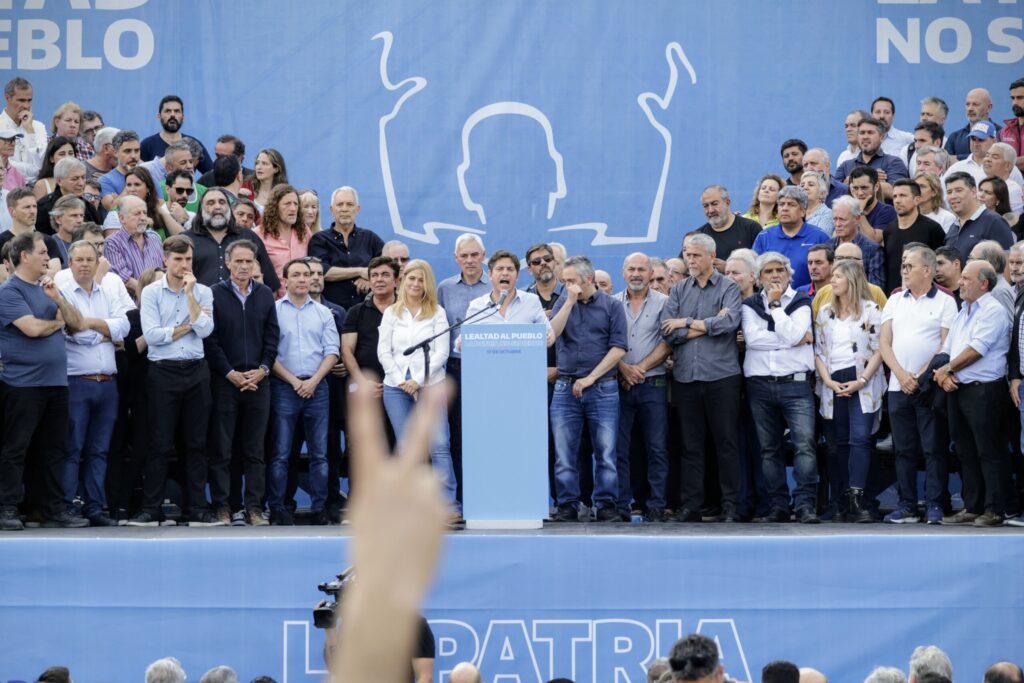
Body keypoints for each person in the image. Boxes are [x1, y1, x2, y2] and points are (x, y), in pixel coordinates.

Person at [129, 235, 219, 527]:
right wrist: (187, 325)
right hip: (162, 371)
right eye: (178, 259)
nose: (183, 265)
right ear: (165, 259)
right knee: (159, 442)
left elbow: (205, 331)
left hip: (196, 370)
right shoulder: (153, 292)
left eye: (188, 260)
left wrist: (190, 296)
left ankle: (197, 509)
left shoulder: (203, 291)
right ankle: (150, 509)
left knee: (197, 443)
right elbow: (153, 335)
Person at [0, 233, 88, 531]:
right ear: (24, 256)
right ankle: (7, 507)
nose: (47, 258)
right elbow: (33, 329)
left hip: (56, 384)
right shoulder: (9, 292)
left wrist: (59, 300)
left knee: (54, 449)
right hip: (21, 385)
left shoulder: (50, 289)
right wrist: (58, 323)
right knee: (16, 449)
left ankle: (51, 509)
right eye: (41, 252)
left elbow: (77, 324)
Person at [661, 233, 743, 522]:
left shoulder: (729, 287)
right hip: (686, 378)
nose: (690, 260)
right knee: (691, 446)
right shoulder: (679, 289)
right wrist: (708, 325)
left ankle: (731, 505)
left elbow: (730, 322)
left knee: (726, 444)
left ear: (711, 256)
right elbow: (668, 331)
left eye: (696, 255)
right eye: (687, 254)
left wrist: (686, 321)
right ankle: (691, 505)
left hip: (721, 377)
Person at [545, 255, 627, 522]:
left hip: (602, 388)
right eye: (564, 281)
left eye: (572, 281)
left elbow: (618, 348)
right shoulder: (563, 302)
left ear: (588, 280)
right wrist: (569, 301)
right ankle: (568, 504)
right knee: (564, 452)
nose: (567, 285)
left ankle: (605, 505)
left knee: (606, 451)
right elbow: (551, 336)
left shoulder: (612, 307)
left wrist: (591, 377)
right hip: (565, 388)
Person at [204, 240, 279, 526]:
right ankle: (223, 507)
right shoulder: (214, 294)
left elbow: (272, 338)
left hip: (259, 383)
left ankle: (254, 509)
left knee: (255, 451)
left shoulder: (264, 295)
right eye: (239, 261)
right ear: (228, 263)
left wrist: (262, 370)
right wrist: (230, 373)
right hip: (226, 382)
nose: (244, 266)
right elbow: (211, 340)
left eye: (249, 261)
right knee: (222, 450)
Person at [377, 259, 459, 518]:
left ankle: (447, 506)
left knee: (439, 445)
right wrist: (401, 379)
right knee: (406, 447)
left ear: (428, 284)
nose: (415, 284)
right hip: (396, 386)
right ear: (403, 281)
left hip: (430, 385)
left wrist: (418, 380)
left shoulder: (437, 313)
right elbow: (384, 351)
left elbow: (441, 352)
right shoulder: (392, 313)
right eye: (411, 278)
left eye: (421, 279)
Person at [741, 251, 819, 524]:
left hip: (795, 385)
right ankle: (778, 506)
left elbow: (798, 334)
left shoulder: (800, 300)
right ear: (759, 277)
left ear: (788, 274)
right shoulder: (750, 304)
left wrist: (775, 308)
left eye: (779, 270)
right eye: (768, 272)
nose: (775, 276)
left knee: (805, 446)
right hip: (760, 386)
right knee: (768, 449)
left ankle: (806, 504)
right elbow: (753, 340)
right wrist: (790, 337)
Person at [881, 245, 957, 524]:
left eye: (909, 265)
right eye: (902, 264)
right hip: (897, 387)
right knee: (903, 450)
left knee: (934, 448)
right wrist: (901, 375)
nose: (904, 270)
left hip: (929, 388)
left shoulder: (946, 301)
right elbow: (884, 342)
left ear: (927, 270)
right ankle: (907, 505)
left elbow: (944, 344)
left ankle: (935, 504)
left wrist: (919, 376)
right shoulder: (895, 299)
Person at [934, 261, 1012, 526]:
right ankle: (972, 506)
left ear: (983, 283)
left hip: (984, 391)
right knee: (965, 451)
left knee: (988, 451)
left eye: (967, 278)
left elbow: (976, 349)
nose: (961, 283)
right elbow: (951, 347)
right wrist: (945, 375)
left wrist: (946, 369)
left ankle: (994, 509)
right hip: (959, 389)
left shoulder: (993, 310)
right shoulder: (962, 310)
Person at [58, 239, 130, 527]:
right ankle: (67, 506)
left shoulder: (108, 290)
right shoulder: (63, 292)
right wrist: (105, 330)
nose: (85, 264)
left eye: (90, 259)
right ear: (70, 263)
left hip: (107, 383)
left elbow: (124, 325)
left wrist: (90, 324)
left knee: (100, 450)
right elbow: (75, 332)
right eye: (80, 260)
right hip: (77, 381)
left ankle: (94, 507)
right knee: (72, 448)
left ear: (98, 261)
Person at [267, 258, 339, 525]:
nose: (301, 279)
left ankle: (320, 508)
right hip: (284, 387)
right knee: (281, 453)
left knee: (320, 455)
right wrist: (294, 381)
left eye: (306, 275)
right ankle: (278, 507)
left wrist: (313, 381)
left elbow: (332, 351)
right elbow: (269, 353)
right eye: (295, 274)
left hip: (317, 388)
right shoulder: (273, 311)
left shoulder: (323, 313)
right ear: (285, 279)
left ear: (312, 279)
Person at [814, 260, 885, 523]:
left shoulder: (871, 310)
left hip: (862, 381)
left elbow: (880, 349)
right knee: (838, 443)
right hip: (833, 381)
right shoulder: (824, 312)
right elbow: (819, 352)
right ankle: (841, 500)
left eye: (838, 276)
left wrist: (863, 379)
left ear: (852, 280)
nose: (832, 280)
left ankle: (859, 497)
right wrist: (828, 382)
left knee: (860, 439)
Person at [613, 253, 670, 521]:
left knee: (657, 447)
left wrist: (640, 368)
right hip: (620, 385)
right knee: (620, 449)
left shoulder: (665, 303)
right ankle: (622, 505)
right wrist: (624, 368)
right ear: (623, 272)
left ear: (650, 274)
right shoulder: (611, 303)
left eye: (641, 270)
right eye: (631, 269)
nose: (636, 274)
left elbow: (668, 342)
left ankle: (656, 504)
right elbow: (606, 341)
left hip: (653, 384)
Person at [187, 187, 280, 293]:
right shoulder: (187, 240)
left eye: (222, 202)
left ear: (229, 208)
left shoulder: (249, 237)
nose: (217, 207)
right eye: (211, 203)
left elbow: (271, 285)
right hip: (199, 307)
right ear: (201, 210)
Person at [308, 186, 384, 310]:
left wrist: (370, 277)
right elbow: (323, 271)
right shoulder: (319, 239)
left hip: (367, 310)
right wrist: (361, 271)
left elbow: (387, 265)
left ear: (357, 209)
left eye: (349, 204)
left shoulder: (370, 237)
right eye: (340, 205)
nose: (344, 209)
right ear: (332, 210)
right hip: (331, 312)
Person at [342, 256, 399, 399]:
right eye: (374, 275)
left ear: (396, 281)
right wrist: (362, 382)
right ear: (369, 281)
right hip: (365, 386)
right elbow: (347, 351)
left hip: (401, 387)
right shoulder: (355, 312)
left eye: (385, 275)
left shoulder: (407, 311)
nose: (379, 279)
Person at [752, 185, 830, 289]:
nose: (784, 208)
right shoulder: (764, 236)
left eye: (791, 205)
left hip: (808, 299)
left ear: (803, 211)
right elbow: (753, 272)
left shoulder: (819, 237)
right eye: (781, 204)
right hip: (770, 298)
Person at [882, 179, 946, 291]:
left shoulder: (932, 229)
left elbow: (939, 266)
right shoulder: (889, 230)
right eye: (895, 196)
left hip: (924, 296)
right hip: (894, 297)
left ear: (917, 200)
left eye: (903, 195)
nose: (897, 200)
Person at [834, 116, 910, 199]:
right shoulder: (845, 165)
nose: (865, 136)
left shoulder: (894, 162)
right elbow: (834, 192)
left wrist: (852, 182)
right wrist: (874, 179)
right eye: (862, 133)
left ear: (881, 137)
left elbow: (895, 192)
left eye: (870, 132)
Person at [691, 184, 762, 271]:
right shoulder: (699, 235)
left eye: (714, 204)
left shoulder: (751, 228)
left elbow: (763, 265)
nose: (710, 210)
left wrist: (729, 268)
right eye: (706, 206)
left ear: (727, 203)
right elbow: (685, 265)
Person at [105, 195, 165, 297]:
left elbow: (163, 270)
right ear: (122, 218)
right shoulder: (112, 243)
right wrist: (151, 296)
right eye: (137, 214)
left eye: (144, 213)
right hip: (132, 305)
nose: (142, 217)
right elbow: (125, 279)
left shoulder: (155, 240)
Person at [255, 184, 309, 296]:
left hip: (302, 299)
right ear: (275, 207)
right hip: (272, 301)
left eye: (296, 204)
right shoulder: (259, 234)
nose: (293, 209)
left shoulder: (304, 231)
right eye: (287, 204)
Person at [944, 171, 1014, 257]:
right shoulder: (953, 227)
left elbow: (1007, 262)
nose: (953, 196)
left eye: (958, 190)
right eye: (949, 192)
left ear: (973, 192)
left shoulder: (995, 222)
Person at [102, 166, 183, 239]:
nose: (132, 189)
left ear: (148, 188)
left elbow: (181, 237)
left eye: (137, 185)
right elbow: (113, 246)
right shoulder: (116, 213)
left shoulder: (157, 208)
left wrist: (162, 212)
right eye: (129, 185)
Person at [139, 95, 213, 174]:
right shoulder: (147, 145)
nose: (172, 115)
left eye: (177, 111)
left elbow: (212, 175)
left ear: (183, 117)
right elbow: (138, 176)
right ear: (159, 116)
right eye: (168, 111)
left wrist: (196, 186)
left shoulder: (193, 144)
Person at [0, 188, 62, 275]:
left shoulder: (48, 240)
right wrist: (41, 272)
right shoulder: (1, 241)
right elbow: (3, 277)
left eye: (34, 206)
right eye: (27, 207)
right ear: (12, 211)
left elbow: (56, 273)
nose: (33, 211)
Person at [35, 156, 101, 235]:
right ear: (59, 181)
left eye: (83, 177)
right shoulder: (44, 207)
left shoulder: (89, 207)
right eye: (75, 179)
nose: (81, 183)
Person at [0, 77, 48, 184]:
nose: (26, 106)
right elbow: (3, 166)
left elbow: (42, 166)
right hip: (5, 186)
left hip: (35, 189)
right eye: (21, 100)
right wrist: (32, 170)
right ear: (7, 98)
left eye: (29, 100)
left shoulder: (38, 127)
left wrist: (30, 130)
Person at [945, 88, 999, 160]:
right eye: (967, 104)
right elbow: (945, 162)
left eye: (975, 104)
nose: (970, 108)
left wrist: (957, 158)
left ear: (989, 107)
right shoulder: (955, 137)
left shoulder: (1001, 133)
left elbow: (999, 159)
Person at [98, 130, 141, 210]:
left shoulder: (147, 174)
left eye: (137, 150)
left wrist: (119, 198)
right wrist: (132, 178)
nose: (133, 156)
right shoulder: (105, 180)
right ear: (115, 153)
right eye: (127, 151)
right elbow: (112, 208)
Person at [983, 143, 1024, 214]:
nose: (988, 159)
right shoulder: (982, 183)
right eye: (987, 155)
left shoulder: (1012, 189)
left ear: (1007, 166)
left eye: (995, 157)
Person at [799, 170, 834, 236]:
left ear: (822, 193)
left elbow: (818, 240)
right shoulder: (796, 213)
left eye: (811, 185)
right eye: (802, 185)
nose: (805, 188)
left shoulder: (828, 215)